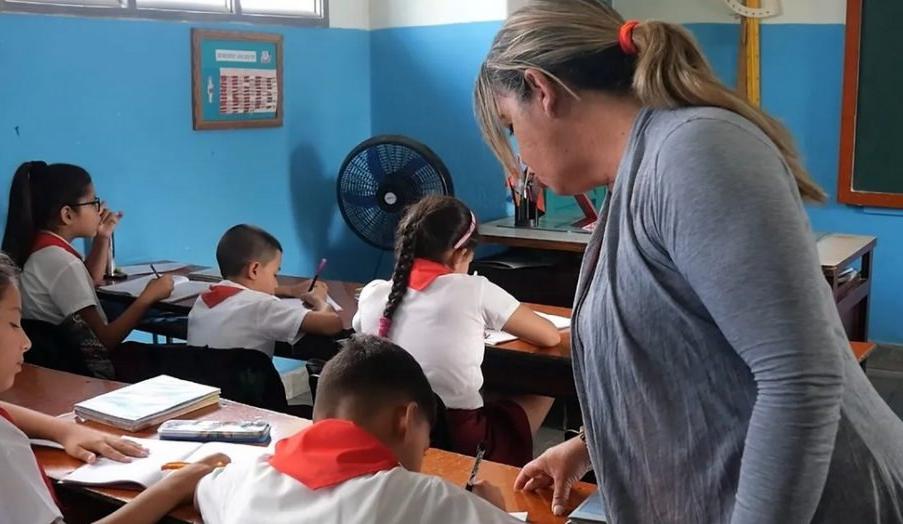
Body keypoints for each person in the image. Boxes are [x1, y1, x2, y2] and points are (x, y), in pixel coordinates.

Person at [474, 1, 903, 521]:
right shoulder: (635, 173)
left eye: (510, 126)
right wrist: (593, 446)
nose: (520, 156)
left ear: (540, 91)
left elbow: (799, 380)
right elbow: (686, 354)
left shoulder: (692, 150)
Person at [0, 250, 227, 524]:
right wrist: (172, 488)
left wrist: (64, 429)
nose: (26, 342)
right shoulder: (6, 449)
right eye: (13, 323)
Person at [196, 334, 520, 524]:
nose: (422, 458)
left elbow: (195, 486)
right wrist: (491, 510)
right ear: (405, 420)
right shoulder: (427, 500)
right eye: (424, 445)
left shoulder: (244, 480)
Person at [353, 196, 560, 466]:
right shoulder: (474, 289)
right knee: (550, 384)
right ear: (461, 254)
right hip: (459, 437)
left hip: (389, 429)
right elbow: (550, 336)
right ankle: (503, 469)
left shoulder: (373, 292)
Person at [2, 161, 173, 378]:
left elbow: (87, 282)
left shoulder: (41, 249)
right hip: (89, 370)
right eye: (94, 203)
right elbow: (104, 341)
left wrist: (102, 238)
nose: (100, 210)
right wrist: (147, 298)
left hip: (57, 365)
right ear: (67, 214)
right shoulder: (61, 262)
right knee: (187, 363)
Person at [187, 224, 343, 356]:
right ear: (254, 270)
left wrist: (289, 290)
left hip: (205, 390)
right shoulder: (263, 306)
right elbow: (332, 324)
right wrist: (319, 300)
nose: (275, 281)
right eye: (275, 274)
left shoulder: (205, 299)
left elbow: (242, 295)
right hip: (246, 390)